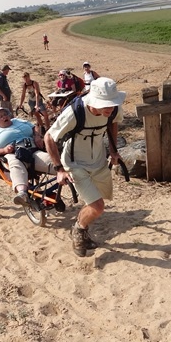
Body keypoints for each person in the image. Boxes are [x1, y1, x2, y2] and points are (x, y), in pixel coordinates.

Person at [44, 77, 126, 257]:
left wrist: (113, 151)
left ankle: (83, 225)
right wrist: (59, 169)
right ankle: (78, 230)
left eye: (112, 103)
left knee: (99, 199)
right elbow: (49, 137)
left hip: (98, 161)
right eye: (106, 104)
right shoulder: (75, 113)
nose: (110, 108)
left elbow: (113, 123)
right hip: (74, 163)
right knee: (98, 206)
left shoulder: (112, 110)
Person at [0, 107, 54, 206]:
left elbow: (34, 127)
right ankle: (22, 193)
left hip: (32, 150)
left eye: (5, 114)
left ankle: (68, 174)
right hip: (12, 153)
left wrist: (37, 136)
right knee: (15, 164)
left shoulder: (17, 121)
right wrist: (3, 150)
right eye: (0, 117)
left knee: (51, 161)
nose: (4, 117)